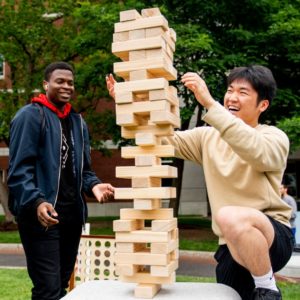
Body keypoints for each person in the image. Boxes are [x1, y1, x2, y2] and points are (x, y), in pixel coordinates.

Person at [106, 65, 294, 300]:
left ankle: (268, 289)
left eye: (243, 92)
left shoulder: (273, 137)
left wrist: (210, 104)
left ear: (263, 105)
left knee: (228, 215)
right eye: (230, 90)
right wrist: (132, 106)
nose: (232, 97)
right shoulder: (208, 137)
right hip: (230, 245)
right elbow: (162, 140)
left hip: (271, 237)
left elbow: (256, 150)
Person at [8, 61, 114, 300]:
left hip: (71, 217)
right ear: (46, 84)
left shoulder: (77, 122)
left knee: (61, 286)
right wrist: (36, 202)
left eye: (70, 83)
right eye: (60, 81)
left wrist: (94, 185)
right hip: (41, 217)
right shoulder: (30, 116)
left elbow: (84, 170)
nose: (67, 86)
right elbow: (18, 171)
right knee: (48, 289)